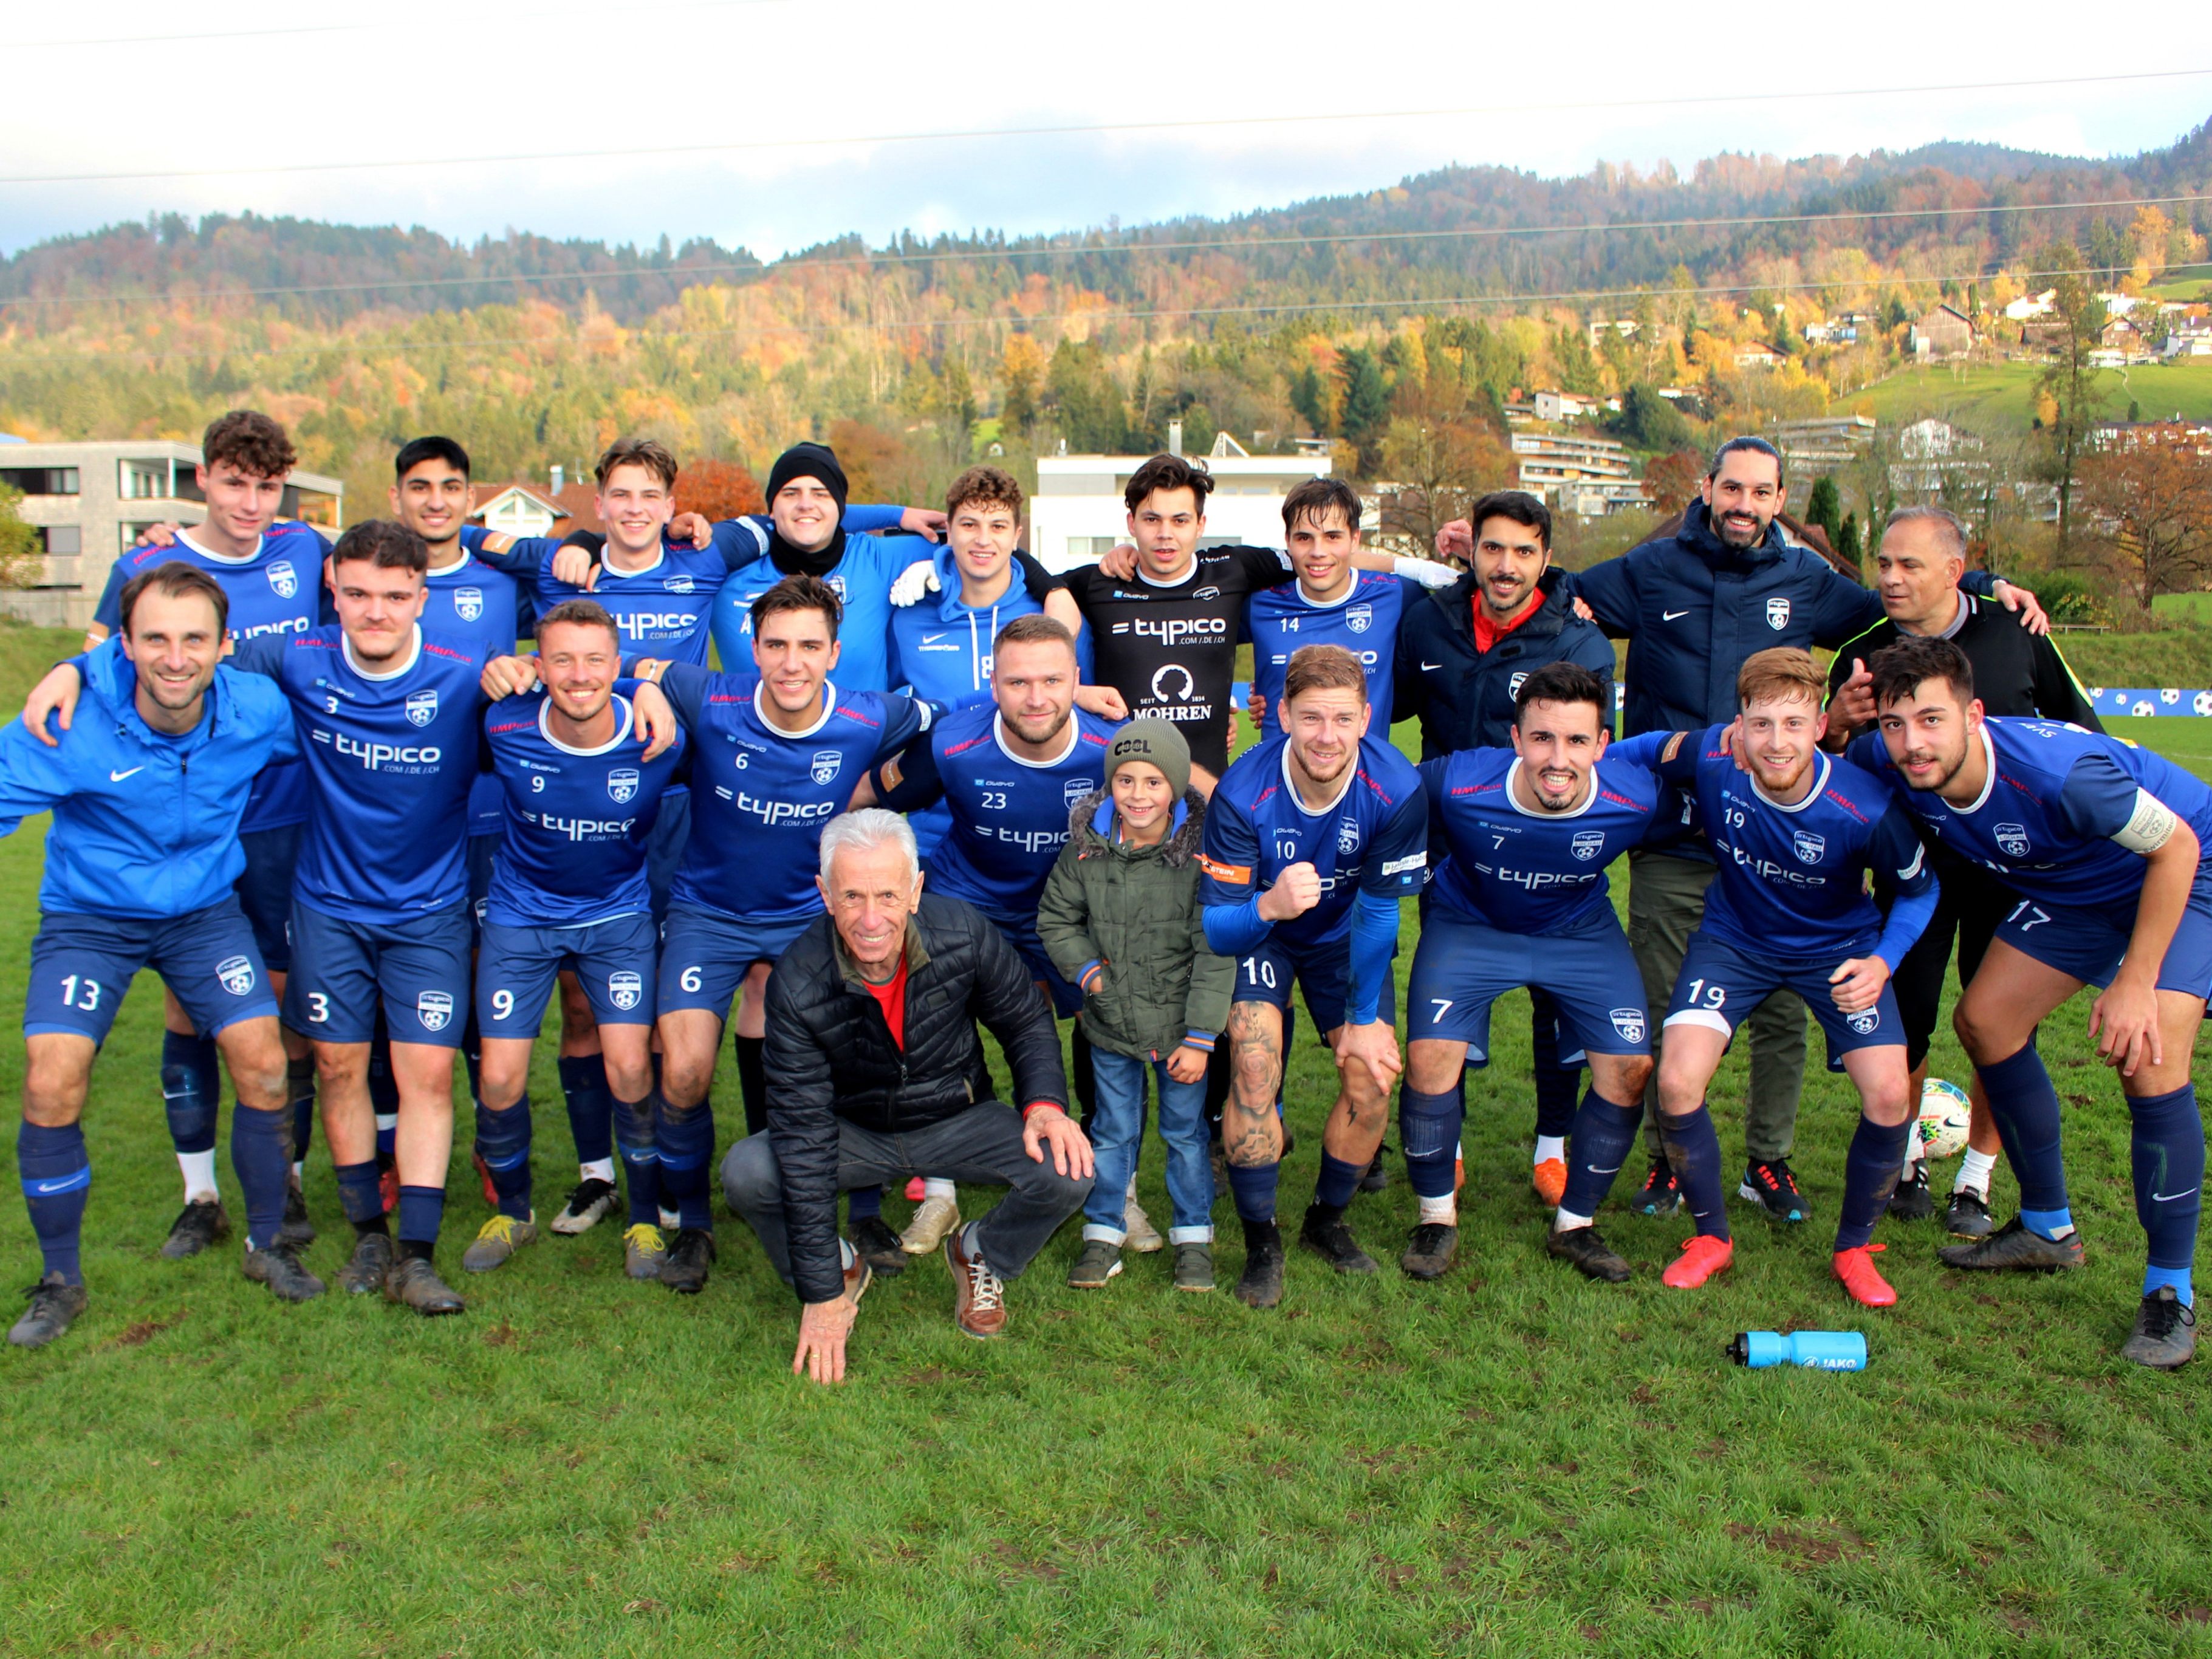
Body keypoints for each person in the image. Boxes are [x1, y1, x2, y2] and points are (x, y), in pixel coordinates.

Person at [1447, 437, 2039, 1228]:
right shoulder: (1650, 568)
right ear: (1708, 487)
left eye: (1761, 492)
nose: (1744, 503)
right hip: (1677, 835)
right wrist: (1463, 558)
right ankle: (1666, 1158)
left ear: (1777, 499)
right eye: (1732, 487)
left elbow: (1898, 597)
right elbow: (1553, 587)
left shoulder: (1807, 581)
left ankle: (1769, 1155)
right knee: (1663, 1002)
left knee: (1783, 1013)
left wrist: (1976, 580)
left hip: (1782, 836)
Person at [1854, 637, 2212, 1369]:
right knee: (1984, 1020)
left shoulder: (2061, 776)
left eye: (1930, 720)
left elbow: (2173, 848)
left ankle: (2169, 1292)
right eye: (1894, 724)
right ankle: (2048, 1228)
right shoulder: (1889, 759)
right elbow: (1816, 763)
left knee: (2146, 1060)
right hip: (2079, 893)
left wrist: (2135, 982)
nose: (1912, 743)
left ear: (1973, 715)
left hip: (2188, 870)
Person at [3, 564, 312, 1346]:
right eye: (156, 640)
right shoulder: (69, 720)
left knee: (265, 1060)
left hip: (203, 914)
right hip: (90, 918)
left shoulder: (256, 709)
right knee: (52, 1077)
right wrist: (71, 669)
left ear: (223, 646)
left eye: (193, 640)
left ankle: (266, 1244)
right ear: (127, 645)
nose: (176, 658)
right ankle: (60, 1281)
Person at [626, 575, 930, 1295]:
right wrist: (644, 686)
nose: (791, 662)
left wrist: (878, 788)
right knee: (682, 1071)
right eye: (775, 645)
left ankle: (863, 1213)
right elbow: (642, 666)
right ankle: (695, 1225)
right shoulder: (711, 696)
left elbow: (950, 723)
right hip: (710, 913)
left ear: (833, 652)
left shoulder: (868, 715)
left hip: (807, 914)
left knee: (854, 1061)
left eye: (808, 646)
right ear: (753, 648)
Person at [1610, 649, 1939, 1305]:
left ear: (1819, 725)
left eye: (1792, 723)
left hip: (1838, 952)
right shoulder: (1710, 756)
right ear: (1738, 726)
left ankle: (1853, 1249)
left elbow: (1919, 891)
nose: (1775, 741)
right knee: (1675, 1081)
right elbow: (1635, 752)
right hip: (1733, 943)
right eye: (1760, 724)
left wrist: (1881, 963)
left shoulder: (1863, 806)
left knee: (1887, 1098)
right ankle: (1710, 1238)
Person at [723, 809, 1093, 1377]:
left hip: (955, 1117)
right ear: (824, 894)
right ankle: (839, 1267)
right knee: (749, 1170)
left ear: (916, 889)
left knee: (1071, 1166)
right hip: (856, 1131)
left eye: (888, 895)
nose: (871, 918)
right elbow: (802, 1139)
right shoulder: (796, 983)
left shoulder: (963, 931)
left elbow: (1024, 1019)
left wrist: (1044, 1106)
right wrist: (821, 1297)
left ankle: (980, 1252)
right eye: (851, 897)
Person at [80, 410, 324, 1260]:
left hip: (292, 815)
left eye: (266, 485)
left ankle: (283, 1177)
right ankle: (201, 1192)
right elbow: (100, 666)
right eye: (234, 482)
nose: (251, 502)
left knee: (283, 1009)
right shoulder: (147, 563)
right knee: (188, 1004)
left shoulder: (304, 553)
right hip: (189, 821)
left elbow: (391, 572)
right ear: (202, 480)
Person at [1820, 506, 2103, 1232]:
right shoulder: (1861, 651)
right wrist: (1841, 719)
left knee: (1999, 1023)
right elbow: (1829, 765)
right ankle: (1907, 1163)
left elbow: (2081, 733)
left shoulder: (2016, 631)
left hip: (2014, 870)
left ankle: (1974, 1180)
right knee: (1905, 1021)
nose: (1888, 578)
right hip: (1911, 872)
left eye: (1908, 565)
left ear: (1954, 570)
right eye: (1882, 562)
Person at [1402, 662, 1663, 1285]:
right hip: (1471, 924)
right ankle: (1435, 1217)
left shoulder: (1636, 797)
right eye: (1541, 738)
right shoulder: (1459, 781)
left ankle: (1575, 1224)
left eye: (1576, 741)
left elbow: (1707, 772)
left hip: (1577, 931)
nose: (1557, 758)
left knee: (1629, 1069)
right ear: (1515, 739)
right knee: (1429, 1059)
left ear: (1602, 745)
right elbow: (1382, 793)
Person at [1395, 488, 1618, 1208]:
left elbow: (1591, 752)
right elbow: (1386, 701)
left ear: (1546, 560)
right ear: (1469, 549)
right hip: (1449, 846)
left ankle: (1551, 1147)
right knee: (1446, 1000)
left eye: (1524, 551)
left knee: (1556, 1002)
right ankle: (1448, 1142)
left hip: (1545, 843)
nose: (1506, 565)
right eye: (1492, 547)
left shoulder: (1577, 640)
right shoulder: (1428, 622)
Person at [869, 614, 1116, 1260]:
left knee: (1111, 1011)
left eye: (1052, 681)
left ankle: (1112, 1181)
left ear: (1076, 681)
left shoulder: (1114, 748)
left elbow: (1181, 799)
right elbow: (870, 798)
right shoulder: (953, 742)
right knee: (927, 1012)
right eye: (1018, 682)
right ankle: (940, 1191)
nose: (1035, 698)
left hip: (1065, 909)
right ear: (992, 683)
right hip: (967, 900)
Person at [1198, 645, 1428, 1308]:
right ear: (1284, 719)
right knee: (1251, 1062)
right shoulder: (1243, 790)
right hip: (1262, 934)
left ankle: (1324, 1221)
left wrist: (1361, 1020)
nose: (1326, 737)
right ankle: (1260, 1241)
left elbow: (1381, 913)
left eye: (1341, 718)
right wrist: (1268, 905)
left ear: (1365, 717)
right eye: (1309, 718)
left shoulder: (1396, 786)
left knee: (1371, 1075)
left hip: (1344, 940)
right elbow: (1217, 929)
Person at [468, 601, 686, 1279]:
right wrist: (490, 671)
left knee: (629, 1068)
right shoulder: (503, 722)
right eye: (561, 658)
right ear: (539, 664)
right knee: (499, 1076)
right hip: (520, 914)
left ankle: (645, 1220)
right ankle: (513, 1211)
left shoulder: (660, 735)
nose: (579, 675)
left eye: (596, 660)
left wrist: (646, 687)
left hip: (616, 915)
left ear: (617, 665)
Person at [1038, 719, 1231, 1293]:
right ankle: (1104, 1231)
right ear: (1109, 783)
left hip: (1180, 1033)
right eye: (1125, 779)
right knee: (1112, 1130)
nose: (1138, 794)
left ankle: (1193, 1237)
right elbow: (1055, 918)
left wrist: (1201, 1037)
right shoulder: (1086, 849)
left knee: (1185, 1133)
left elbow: (1215, 946)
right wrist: (1090, 974)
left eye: (1152, 781)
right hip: (1110, 1023)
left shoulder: (1202, 855)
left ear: (1174, 786)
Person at [705, 442, 956, 693]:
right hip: (750, 731)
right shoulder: (725, 574)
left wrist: (936, 562)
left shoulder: (876, 558)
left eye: (821, 493)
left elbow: (977, 544)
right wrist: (895, 514)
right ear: (771, 508)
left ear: (840, 507)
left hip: (864, 729)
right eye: (790, 493)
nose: (805, 504)